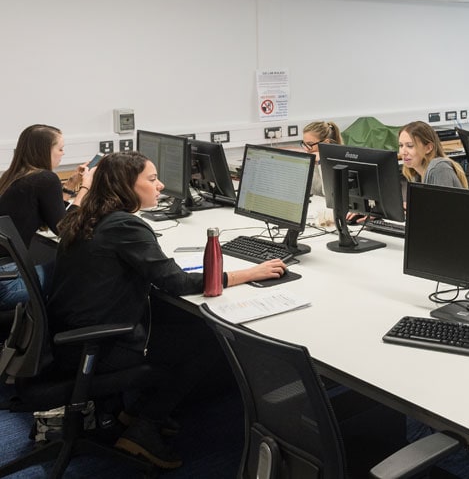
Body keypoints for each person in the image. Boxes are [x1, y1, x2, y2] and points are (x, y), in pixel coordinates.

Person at [46, 151, 286, 469]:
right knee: (209, 338)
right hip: (98, 346)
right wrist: (250, 273)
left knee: (180, 323)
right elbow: (176, 282)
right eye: (151, 179)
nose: (160, 186)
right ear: (125, 186)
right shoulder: (124, 226)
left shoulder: (86, 214)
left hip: (71, 333)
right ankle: (144, 427)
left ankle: (136, 412)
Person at [0, 124, 92, 309]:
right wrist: (85, 188)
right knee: (85, 262)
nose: (63, 154)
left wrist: (70, 184)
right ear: (44, 150)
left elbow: (49, 214)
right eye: (60, 148)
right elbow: (65, 229)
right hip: (9, 286)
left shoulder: (13, 176)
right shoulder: (44, 179)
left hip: (4, 275)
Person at [398, 121, 468, 188]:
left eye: (410, 146)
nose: (403, 152)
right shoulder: (416, 175)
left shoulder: (439, 169)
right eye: (401, 145)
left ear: (428, 148)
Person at [301, 120, 342, 196]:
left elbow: (330, 195)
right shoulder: (312, 161)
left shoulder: (338, 165)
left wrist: (321, 162)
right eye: (304, 144)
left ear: (326, 143)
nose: (306, 149)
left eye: (310, 144)